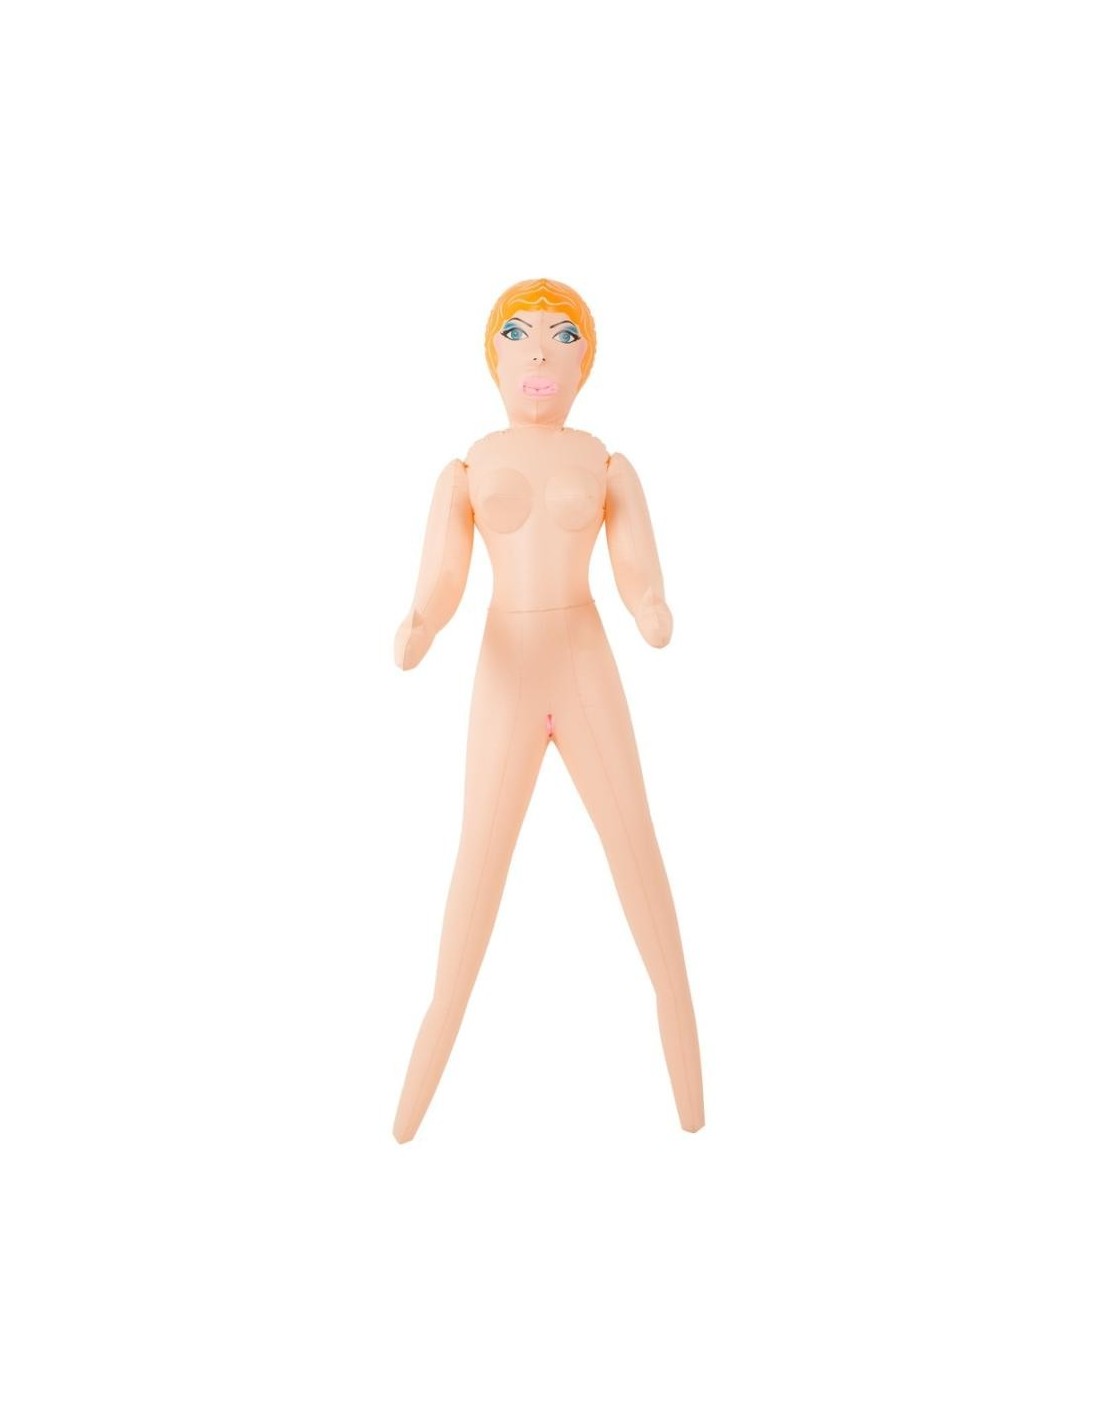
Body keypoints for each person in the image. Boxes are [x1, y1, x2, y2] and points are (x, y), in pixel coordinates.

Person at [392, 277, 704, 1141]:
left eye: (564, 337)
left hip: (585, 662)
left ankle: (692, 1100)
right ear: (492, 358)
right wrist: (419, 625)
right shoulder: (467, 469)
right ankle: (411, 1104)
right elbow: (443, 577)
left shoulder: (605, 464)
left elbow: (638, 570)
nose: (539, 351)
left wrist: (651, 610)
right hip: (507, 669)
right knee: (475, 876)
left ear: (585, 363)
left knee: (639, 859)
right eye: (519, 334)